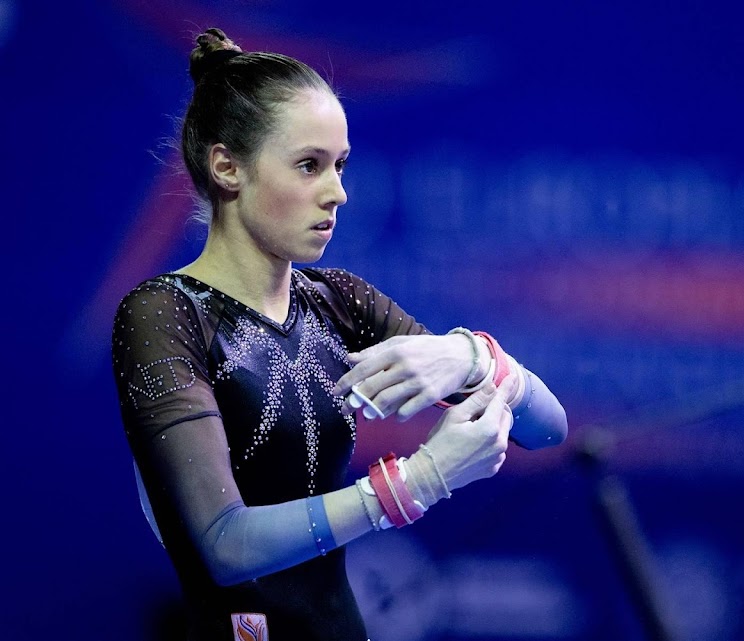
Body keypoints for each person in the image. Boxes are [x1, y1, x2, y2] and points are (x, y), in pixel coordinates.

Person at [111, 27, 568, 641]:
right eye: (309, 166)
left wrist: (472, 359)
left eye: (341, 165)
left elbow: (548, 427)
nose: (339, 192)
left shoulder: (339, 303)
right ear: (227, 167)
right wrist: (415, 482)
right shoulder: (164, 314)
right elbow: (224, 543)